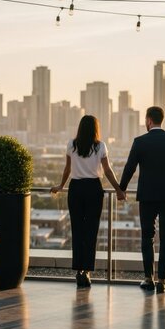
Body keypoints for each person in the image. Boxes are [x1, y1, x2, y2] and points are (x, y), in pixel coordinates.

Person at [119, 106, 165, 293]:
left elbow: (130, 168)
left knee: (147, 236)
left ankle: (148, 279)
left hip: (147, 196)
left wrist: (121, 189)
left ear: (149, 120)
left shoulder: (140, 142)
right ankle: (163, 281)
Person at [51, 115, 126, 288]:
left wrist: (61, 186)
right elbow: (107, 171)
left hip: (75, 189)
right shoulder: (100, 146)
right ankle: (87, 271)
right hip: (93, 189)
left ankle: (79, 270)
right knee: (91, 231)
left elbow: (68, 169)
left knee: (77, 230)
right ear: (95, 129)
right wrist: (118, 190)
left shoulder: (72, 144)